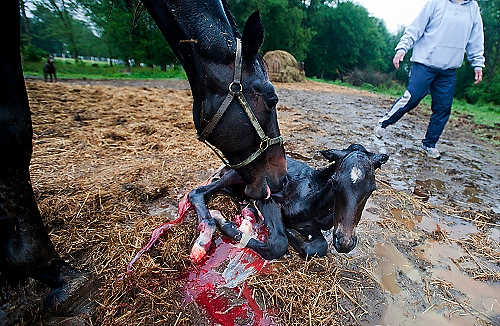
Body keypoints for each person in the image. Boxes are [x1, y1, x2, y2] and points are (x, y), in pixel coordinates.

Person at [375, 0, 485, 159]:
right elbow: (416, 27)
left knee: (443, 108)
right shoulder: (436, 2)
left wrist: (478, 64)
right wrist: (402, 48)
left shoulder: (472, 8)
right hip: (424, 63)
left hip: (449, 70)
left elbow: (475, 39)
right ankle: (383, 123)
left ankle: (429, 144)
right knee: (411, 98)